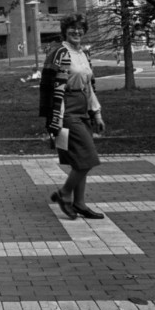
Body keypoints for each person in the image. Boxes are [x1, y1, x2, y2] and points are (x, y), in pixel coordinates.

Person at [39, 13, 106, 220]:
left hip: (83, 107)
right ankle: (64, 194)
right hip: (65, 109)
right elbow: (49, 88)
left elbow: (89, 86)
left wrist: (97, 113)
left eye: (80, 28)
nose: (76, 31)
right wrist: (54, 118)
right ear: (64, 31)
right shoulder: (59, 52)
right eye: (72, 28)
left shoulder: (84, 54)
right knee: (87, 157)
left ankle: (79, 203)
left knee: (80, 159)